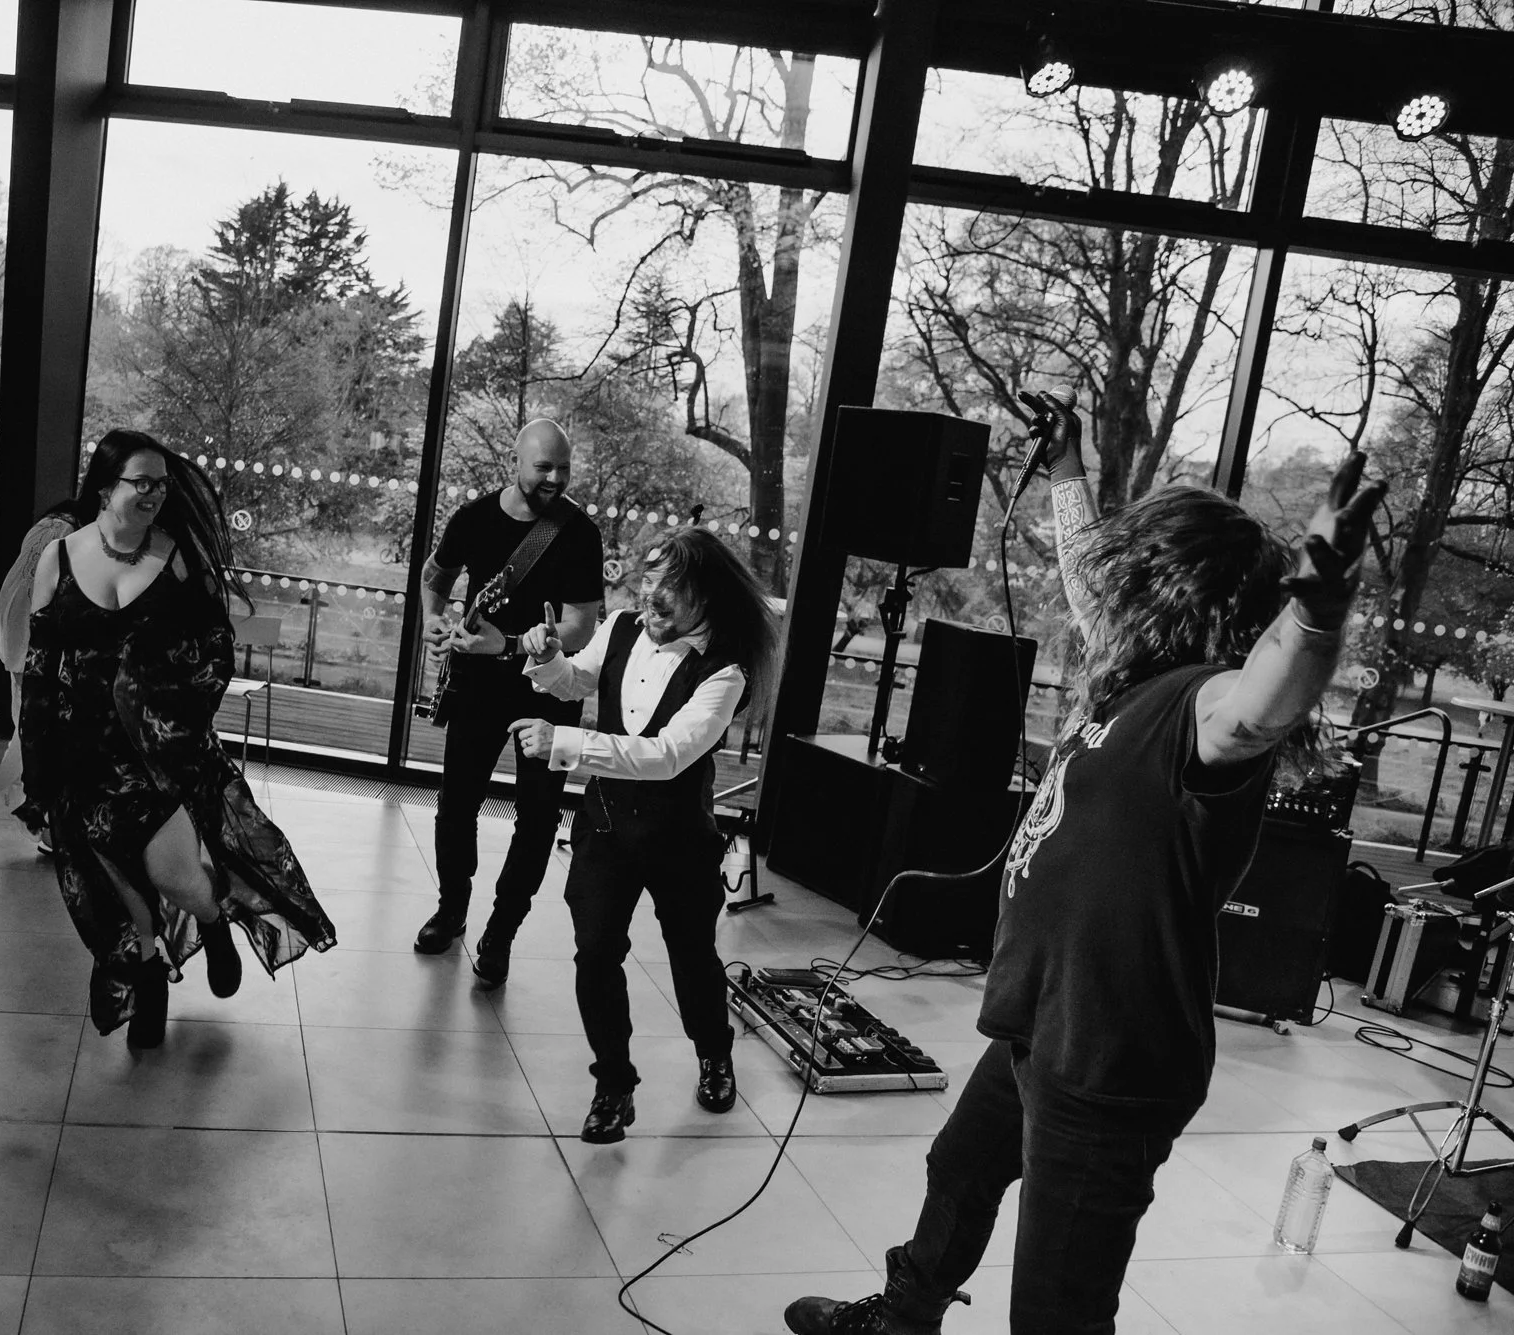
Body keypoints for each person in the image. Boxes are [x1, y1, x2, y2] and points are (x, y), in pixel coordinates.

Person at [783, 396, 1385, 1335]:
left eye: (1138, 571)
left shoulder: (1200, 705)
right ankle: (903, 1319)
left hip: (1110, 1059)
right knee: (963, 1167)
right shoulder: (1136, 678)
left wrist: (1315, 614)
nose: (1112, 589)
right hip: (1046, 1023)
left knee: (1059, 1307)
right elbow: (1085, 578)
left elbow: (1263, 705)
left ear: (1177, 591)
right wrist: (1069, 469)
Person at [22, 429, 336, 1047]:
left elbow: (213, 654)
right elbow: (37, 672)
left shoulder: (176, 558)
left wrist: (174, 720)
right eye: (143, 482)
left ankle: (212, 921)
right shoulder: (57, 560)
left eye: (162, 484)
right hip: (82, 758)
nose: (156, 494)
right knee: (120, 889)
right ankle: (152, 981)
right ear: (106, 486)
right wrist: (38, 769)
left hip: (157, 757)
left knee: (174, 875)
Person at [509, 526, 777, 1143]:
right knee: (596, 953)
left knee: (691, 956)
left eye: (671, 590)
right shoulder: (622, 625)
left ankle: (714, 1053)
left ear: (706, 597)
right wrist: (548, 659)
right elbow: (579, 682)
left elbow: (666, 756)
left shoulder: (725, 671)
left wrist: (566, 745)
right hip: (604, 829)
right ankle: (614, 1085)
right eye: (648, 583)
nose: (651, 600)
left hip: (679, 838)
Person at [416, 418, 605, 989]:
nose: (555, 478)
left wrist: (522, 643)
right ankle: (452, 910)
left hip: (548, 689)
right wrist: (431, 615)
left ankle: (501, 933)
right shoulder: (473, 518)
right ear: (515, 462)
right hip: (476, 685)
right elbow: (435, 575)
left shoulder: (579, 532)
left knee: (539, 818)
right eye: (544, 466)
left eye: (564, 469)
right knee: (456, 805)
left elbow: (580, 624)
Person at [0, 495, 80, 844]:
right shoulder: (65, 535)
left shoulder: (44, 527)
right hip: (31, 632)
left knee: (25, 724)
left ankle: (41, 820)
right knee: (38, 733)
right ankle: (46, 824)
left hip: (14, 628)